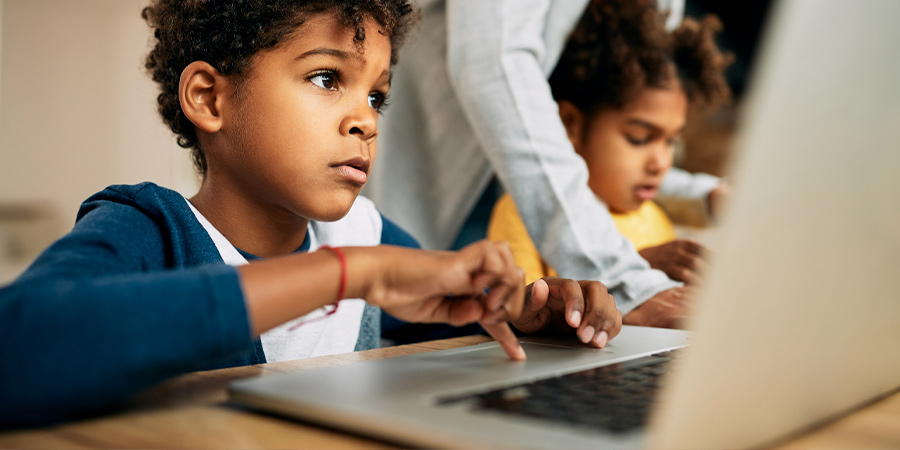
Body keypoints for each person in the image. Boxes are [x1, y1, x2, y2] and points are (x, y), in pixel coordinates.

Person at [0, 0, 622, 428]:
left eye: (376, 94)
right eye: (327, 78)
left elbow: (457, 324)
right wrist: (345, 275)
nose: (367, 119)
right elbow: (20, 347)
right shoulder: (150, 227)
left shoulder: (364, 235)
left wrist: (533, 310)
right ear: (209, 98)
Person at [366, 0, 729, 328]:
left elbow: (622, 131)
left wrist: (702, 194)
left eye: (672, 142)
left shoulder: (646, 213)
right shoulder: (512, 220)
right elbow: (494, 63)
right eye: (640, 138)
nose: (659, 158)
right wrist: (625, 279)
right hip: (442, 215)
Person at [487, 0, 731, 291]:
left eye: (671, 142)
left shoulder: (653, 217)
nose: (662, 163)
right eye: (639, 139)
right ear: (570, 124)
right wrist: (635, 272)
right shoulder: (518, 214)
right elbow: (520, 315)